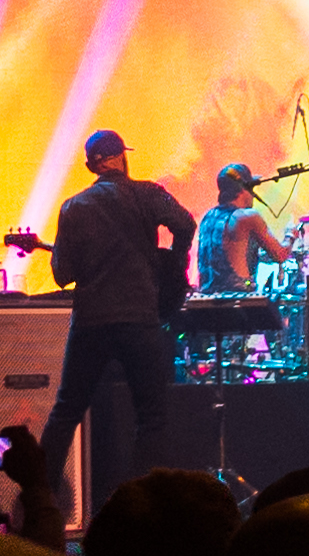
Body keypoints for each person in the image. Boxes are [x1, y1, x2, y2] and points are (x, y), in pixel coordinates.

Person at [39, 129, 196, 488]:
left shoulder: (73, 207)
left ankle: (38, 499)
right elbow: (186, 224)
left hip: (92, 321)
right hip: (139, 319)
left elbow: (63, 275)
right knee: (151, 418)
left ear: (90, 166)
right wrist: (175, 265)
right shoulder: (147, 193)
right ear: (122, 157)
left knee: (66, 411)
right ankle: (139, 503)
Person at [197, 162, 292, 293]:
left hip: (205, 298)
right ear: (244, 188)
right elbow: (280, 255)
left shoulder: (207, 217)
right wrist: (291, 235)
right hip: (238, 299)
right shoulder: (246, 217)